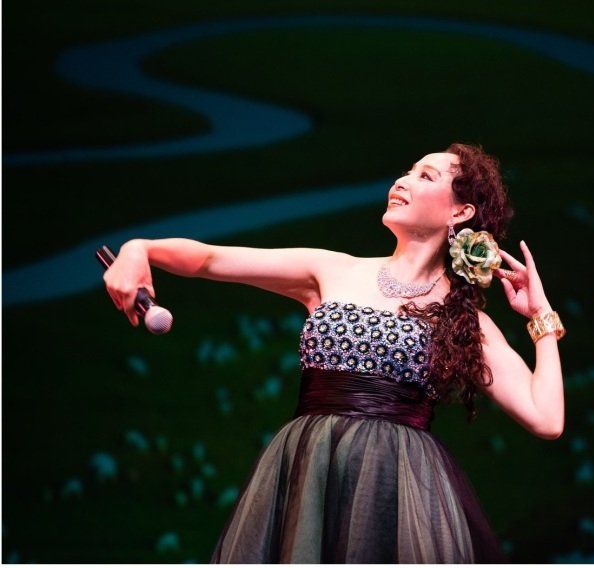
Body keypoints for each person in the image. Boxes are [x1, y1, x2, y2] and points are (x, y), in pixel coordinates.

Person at [101, 143, 567, 562]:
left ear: (460, 212)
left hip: (396, 487)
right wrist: (141, 249)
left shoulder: (464, 320)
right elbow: (209, 258)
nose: (402, 181)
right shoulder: (331, 270)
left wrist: (541, 318)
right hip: (311, 469)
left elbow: (546, 419)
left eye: (425, 176)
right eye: (406, 171)